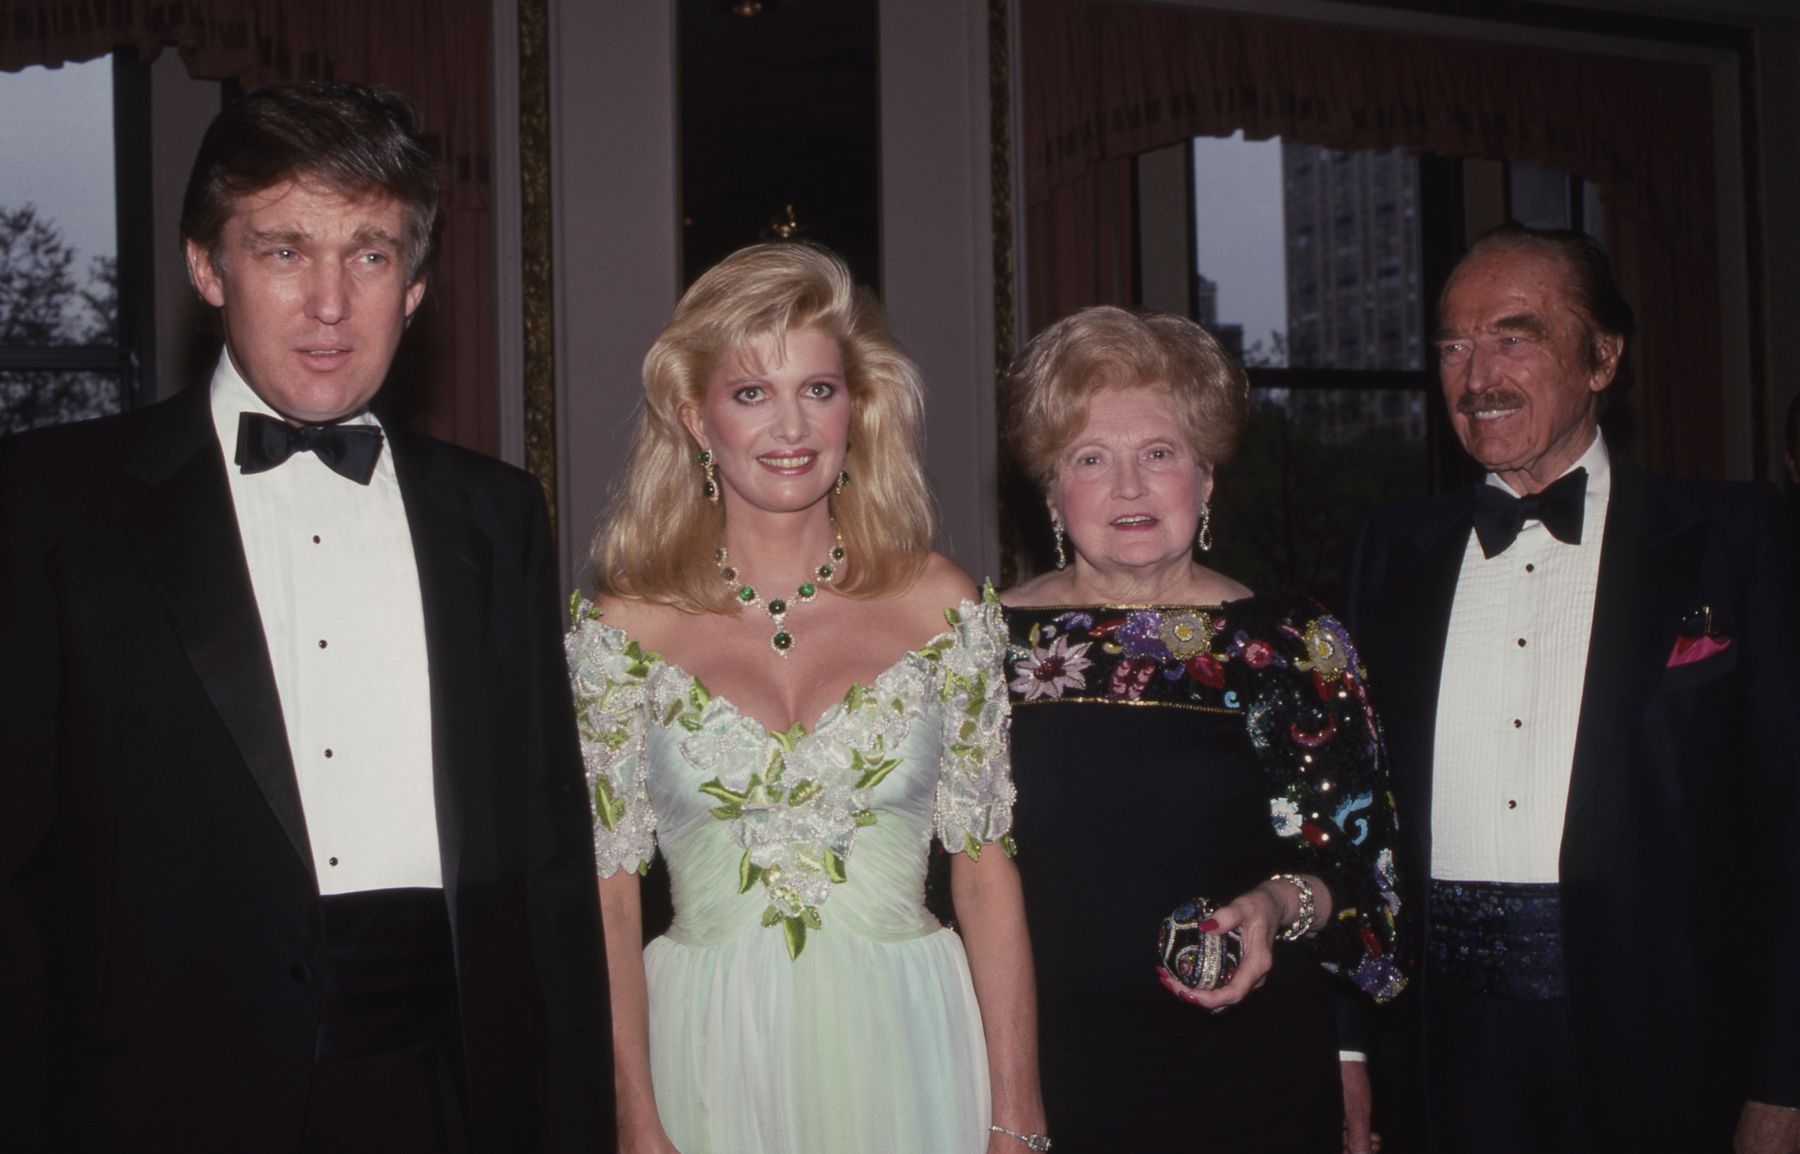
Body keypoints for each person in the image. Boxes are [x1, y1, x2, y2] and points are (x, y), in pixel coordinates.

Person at [0, 82, 612, 1152]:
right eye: (284, 251)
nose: (330, 302)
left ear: (415, 285)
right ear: (207, 266)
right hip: (161, 1099)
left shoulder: (497, 513)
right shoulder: (57, 505)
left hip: (447, 1095)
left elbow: (548, 865)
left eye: (370, 254)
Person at [566, 242, 1045, 1154]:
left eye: (818, 390)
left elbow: (986, 871)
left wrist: (1017, 1115)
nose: (792, 427)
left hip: (913, 1042)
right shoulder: (623, 629)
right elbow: (608, 895)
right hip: (704, 1047)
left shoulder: (944, 606)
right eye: (751, 393)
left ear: (856, 409)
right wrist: (632, 1116)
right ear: (695, 418)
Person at [1343, 224, 1800, 1153]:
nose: (1476, 377)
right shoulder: (1389, 550)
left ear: (1602, 358)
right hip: (1439, 1046)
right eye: (1453, 346)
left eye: (1514, 336)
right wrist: (1353, 1055)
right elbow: (1355, 818)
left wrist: (1783, 1080)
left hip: (1667, 1044)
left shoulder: (1734, 537)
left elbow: (1789, 828)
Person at [997, 305, 1406, 1154]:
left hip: (1245, 1075)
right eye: (1091, 458)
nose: (1129, 486)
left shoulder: (1292, 644)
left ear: (1207, 478)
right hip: (1027, 1077)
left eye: (1159, 453)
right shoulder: (975, 649)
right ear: (1050, 490)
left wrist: (1273, 905)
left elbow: (1362, 877)